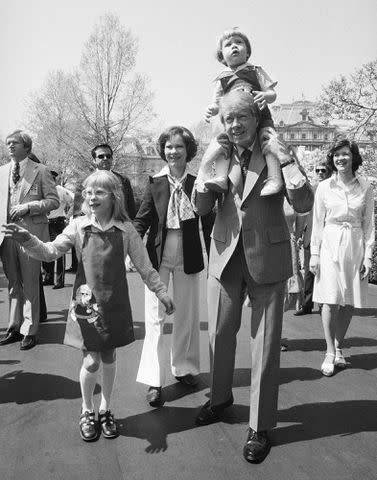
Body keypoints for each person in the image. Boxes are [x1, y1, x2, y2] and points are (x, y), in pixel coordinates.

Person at [2, 170, 174, 442]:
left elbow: (145, 267)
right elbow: (50, 251)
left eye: (100, 192)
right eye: (89, 191)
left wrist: (162, 292)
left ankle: (106, 408)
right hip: (87, 307)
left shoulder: (126, 230)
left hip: (115, 305)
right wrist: (27, 239)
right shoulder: (78, 226)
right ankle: (87, 409)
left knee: (109, 358)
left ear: (114, 196)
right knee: (92, 361)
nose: (92, 197)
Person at [193, 90, 313, 464]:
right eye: (229, 120)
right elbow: (200, 207)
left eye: (242, 117)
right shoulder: (220, 151)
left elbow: (304, 202)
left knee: (264, 343)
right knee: (218, 333)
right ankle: (220, 397)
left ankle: (259, 426)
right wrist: (206, 170)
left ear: (256, 119)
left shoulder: (274, 150)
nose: (235, 125)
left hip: (269, 256)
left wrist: (287, 157)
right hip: (225, 254)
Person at [133, 126, 215, 408]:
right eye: (168, 147)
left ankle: (184, 368)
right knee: (155, 317)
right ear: (163, 151)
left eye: (179, 147)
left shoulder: (198, 181)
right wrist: (128, 248)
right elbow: (141, 220)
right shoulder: (154, 182)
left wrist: (218, 255)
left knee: (187, 316)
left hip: (189, 254)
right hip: (158, 257)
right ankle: (154, 380)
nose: (173, 152)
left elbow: (209, 222)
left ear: (188, 151)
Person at [309, 138, 374, 377]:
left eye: (345, 154)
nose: (340, 159)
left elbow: (369, 224)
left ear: (353, 157)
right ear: (332, 159)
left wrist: (368, 256)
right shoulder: (325, 187)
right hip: (330, 242)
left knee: (348, 300)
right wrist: (314, 254)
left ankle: (338, 346)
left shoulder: (366, 186)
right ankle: (328, 350)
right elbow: (317, 222)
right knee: (330, 299)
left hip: (355, 243)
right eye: (336, 155)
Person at [204, 27, 282, 196]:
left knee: (269, 141)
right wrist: (212, 109)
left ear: (247, 52)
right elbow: (217, 103)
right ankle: (221, 176)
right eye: (228, 44)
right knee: (221, 141)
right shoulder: (222, 79)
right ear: (221, 56)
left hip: (260, 117)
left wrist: (265, 95)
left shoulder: (255, 71)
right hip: (235, 122)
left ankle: (275, 178)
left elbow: (272, 93)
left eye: (239, 43)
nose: (234, 46)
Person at [0, 131, 59, 350]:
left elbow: (53, 201)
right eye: (8, 143)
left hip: (30, 235)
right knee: (13, 283)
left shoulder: (41, 171)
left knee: (31, 283)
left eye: (14, 142)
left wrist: (29, 206)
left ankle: (30, 330)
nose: (10, 146)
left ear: (26, 146)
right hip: (6, 236)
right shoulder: (2, 171)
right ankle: (14, 326)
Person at [294, 159, 332, 316]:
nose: (320, 173)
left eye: (323, 170)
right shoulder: (312, 190)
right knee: (309, 273)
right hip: (310, 236)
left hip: (329, 237)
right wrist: (302, 233)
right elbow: (305, 214)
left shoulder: (333, 189)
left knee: (327, 273)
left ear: (329, 171)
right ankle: (307, 305)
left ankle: (326, 304)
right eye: (317, 170)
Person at [72, 143, 136, 220]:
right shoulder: (84, 181)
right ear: (94, 160)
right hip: (91, 227)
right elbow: (77, 211)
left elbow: (131, 208)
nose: (105, 158)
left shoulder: (123, 180)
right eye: (101, 156)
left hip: (119, 226)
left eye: (108, 156)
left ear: (112, 159)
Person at [42, 171, 74, 289]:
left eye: (52, 179)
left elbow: (75, 201)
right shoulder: (42, 189)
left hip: (58, 222)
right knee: (45, 249)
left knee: (59, 251)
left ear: (55, 179)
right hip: (45, 223)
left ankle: (60, 281)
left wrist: (68, 216)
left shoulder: (60, 190)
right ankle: (48, 277)